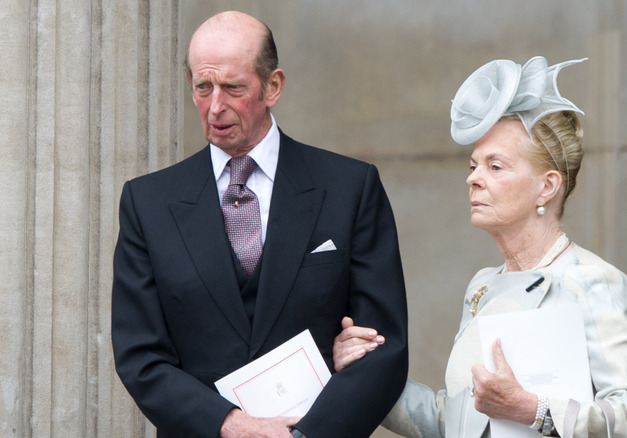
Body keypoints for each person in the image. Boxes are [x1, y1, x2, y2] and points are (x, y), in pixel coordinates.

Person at [111, 11, 408, 438]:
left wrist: (303, 436)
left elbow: (385, 347)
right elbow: (140, 355)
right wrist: (230, 425)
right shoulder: (147, 202)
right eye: (202, 87)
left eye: (233, 87)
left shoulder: (350, 188)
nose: (215, 107)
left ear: (273, 86)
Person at [333, 56, 627, 437]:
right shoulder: (482, 286)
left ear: (547, 186)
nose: (474, 179)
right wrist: (365, 369)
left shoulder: (593, 281)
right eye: (473, 166)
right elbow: (453, 423)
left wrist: (531, 409)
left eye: (495, 166)